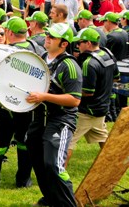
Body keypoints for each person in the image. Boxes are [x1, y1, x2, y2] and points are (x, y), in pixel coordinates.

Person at [0, 17, 44, 191]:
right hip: (29, 105)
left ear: (10, 33)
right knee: (24, 142)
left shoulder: (3, 52)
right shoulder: (39, 50)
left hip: (3, 106)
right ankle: (23, 180)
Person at [25, 22, 82, 207]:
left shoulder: (70, 66)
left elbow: (74, 100)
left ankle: (68, 204)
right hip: (40, 118)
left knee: (54, 165)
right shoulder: (42, 57)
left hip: (61, 120)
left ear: (64, 44)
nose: (47, 38)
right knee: (38, 161)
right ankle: (50, 198)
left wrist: (44, 96)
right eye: (47, 35)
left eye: (52, 37)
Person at [67, 26, 117, 165]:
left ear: (88, 43)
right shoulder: (108, 54)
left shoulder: (88, 63)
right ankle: (113, 166)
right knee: (103, 140)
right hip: (102, 109)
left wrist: (69, 92)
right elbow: (116, 77)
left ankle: (59, 175)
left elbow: (88, 91)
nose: (77, 46)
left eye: (79, 43)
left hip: (86, 112)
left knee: (68, 142)